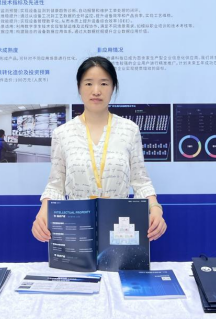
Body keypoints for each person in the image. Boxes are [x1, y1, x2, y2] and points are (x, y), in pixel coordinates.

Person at [32, 56, 166, 243]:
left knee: (118, 262)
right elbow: (56, 185)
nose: (96, 91)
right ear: (79, 88)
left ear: (113, 87)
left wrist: (155, 209)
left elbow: (141, 181)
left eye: (104, 83)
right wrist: (42, 213)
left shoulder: (129, 130)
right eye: (88, 83)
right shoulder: (62, 133)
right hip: (77, 230)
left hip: (120, 228)